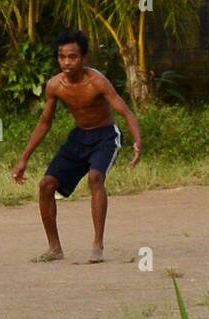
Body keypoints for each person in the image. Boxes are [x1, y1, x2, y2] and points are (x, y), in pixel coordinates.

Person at [12, 30, 141, 263]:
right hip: (79, 138)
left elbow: (125, 111)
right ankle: (54, 248)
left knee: (95, 178)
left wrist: (137, 141)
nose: (66, 62)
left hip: (105, 137)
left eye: (72, 57)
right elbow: (44, 123)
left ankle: (97, 244)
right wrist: (24, 158)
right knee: (46, 185)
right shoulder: (55, 86)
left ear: (84, 58)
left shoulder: (97, 82)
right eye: (61, 57)